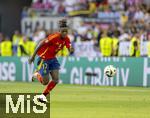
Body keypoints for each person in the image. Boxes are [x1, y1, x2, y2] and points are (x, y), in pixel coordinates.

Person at [28, 19, 74, 102]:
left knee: (56, 79)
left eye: (66, 31)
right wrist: (33, 56)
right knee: (45, 82)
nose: (64, 33)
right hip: (44, 58)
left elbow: (69, 48)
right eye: (63, 31)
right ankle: (37, 74)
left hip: (52, 58)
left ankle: (43, 96)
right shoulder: (54, 37)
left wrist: (71, 49)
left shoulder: (67, 38)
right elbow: (41, 43)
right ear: (59, 31)